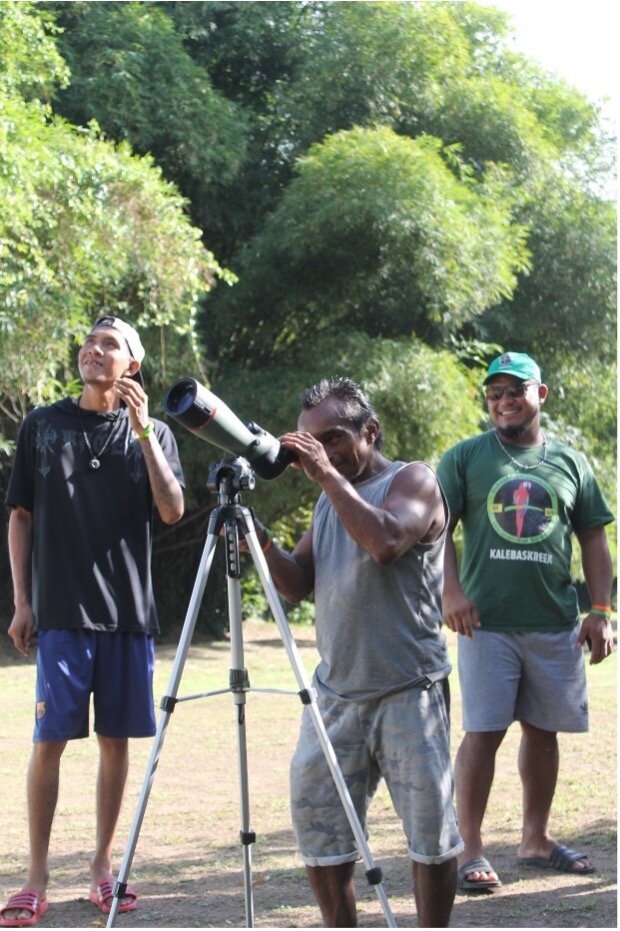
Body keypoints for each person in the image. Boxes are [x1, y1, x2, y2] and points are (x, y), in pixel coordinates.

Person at [255, 376, 463, 928]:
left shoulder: (412, 479)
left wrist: (324, 473)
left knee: (431, 838)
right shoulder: (329, 504)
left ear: (369, 431)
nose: (320, 451)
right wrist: (262, 540)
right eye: (310, 441)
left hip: (407, 691)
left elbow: (387, 542)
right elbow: (298, 583)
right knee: (320, 832)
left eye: (334, 437)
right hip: (336, 696)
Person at [1, 316, 185, 927]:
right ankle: (35, 879)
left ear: (132, 365)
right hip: (59, 614)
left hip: (128, 617)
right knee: (48, 742)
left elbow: (172, 507)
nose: (94, 349)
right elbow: (21, 515)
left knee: (115, 745)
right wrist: (23, 602)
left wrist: (142, 434)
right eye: (90, 340)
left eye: (111, 344)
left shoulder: (154, 432)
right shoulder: (43, 425)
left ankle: (103, 871)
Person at [436, 351, 614, 893]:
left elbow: (593, 539)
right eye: (495, 393)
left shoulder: (572, 464)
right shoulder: (466, 458)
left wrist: (602, 610)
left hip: (555, 622)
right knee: (483, 733)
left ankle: (535, 839)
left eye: (516, 390)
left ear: (541, 395)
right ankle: (469, 848)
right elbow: (437, 529)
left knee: (543, 731)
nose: (504, 400)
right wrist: (451, 589)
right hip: (486, 623)